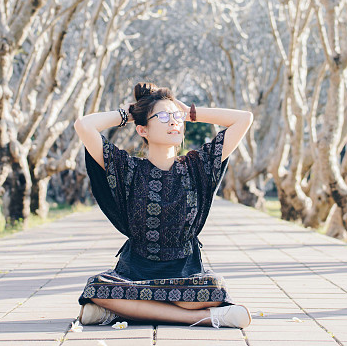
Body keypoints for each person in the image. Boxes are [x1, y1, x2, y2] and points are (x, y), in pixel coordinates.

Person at [72, 82, 254, 328]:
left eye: (176, 117)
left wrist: (190, 113)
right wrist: (128, 113)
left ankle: (118, 311)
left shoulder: (198, 166)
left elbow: (244, 119)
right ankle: (203, 318)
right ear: (142, 130)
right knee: (97, 286)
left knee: (214, 288)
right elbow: (84, 125)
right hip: (134, 273)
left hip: (185, 274)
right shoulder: (127, 169)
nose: (174, 122)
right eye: (164, 116)